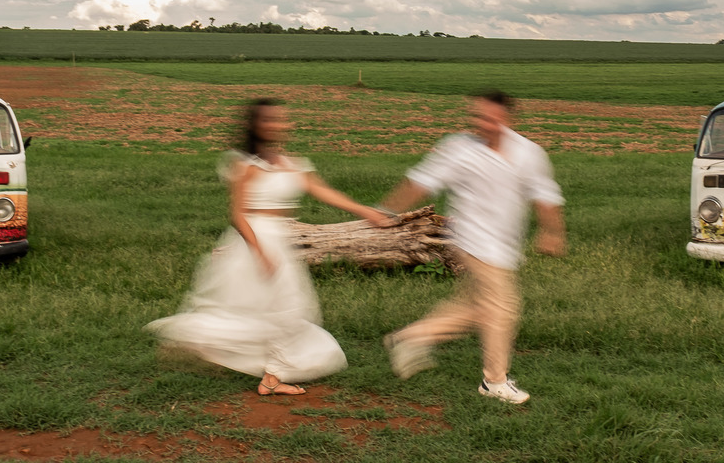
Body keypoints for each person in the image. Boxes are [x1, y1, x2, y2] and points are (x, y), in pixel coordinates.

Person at [146, 98, 391, 396]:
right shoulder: (244, 164)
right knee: (268, 309)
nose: (278, 125)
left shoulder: (292, 164)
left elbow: (323, 191)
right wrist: (260, 252)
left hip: (279, 242)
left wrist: (365, 211)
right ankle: (203, 344)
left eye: (282, 119)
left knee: (286, 310)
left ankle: (271, 376)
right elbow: (237, 215)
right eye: (270, 119)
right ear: (255, 126)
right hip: (252, 244)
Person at [379, 90, 566, 404]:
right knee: (502, 310)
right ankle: (494, 382)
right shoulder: (459, 148)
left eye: (490, 119)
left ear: (507, 120)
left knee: (478, 309)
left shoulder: (528, 153)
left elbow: (545, 196)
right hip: (473, 242)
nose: (481, 124)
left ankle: (410, 337)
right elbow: (420, 182)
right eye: (477, 117)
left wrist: (552, 231)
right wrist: (385, 211)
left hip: (504, 246)